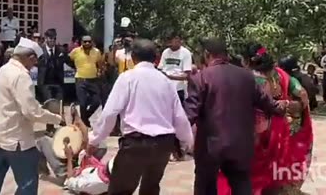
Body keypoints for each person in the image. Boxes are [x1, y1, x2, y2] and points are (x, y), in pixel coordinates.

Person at [88, 38, 194, 195]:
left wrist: (95, 140)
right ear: (155, 58)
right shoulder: (165, 81)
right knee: (150, 189)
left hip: (135, 144)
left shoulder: (127, 78)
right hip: (163, 145)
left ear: (133, 57)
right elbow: (179, 116)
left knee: (120, 190)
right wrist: (187, 142)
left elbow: (110, 113)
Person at [185, 38, 288, 195]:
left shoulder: (200, 78)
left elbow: (190, 113)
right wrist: (281, 107)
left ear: (207, 55)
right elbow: (267, 103)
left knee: (205, 185)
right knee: (241, 184)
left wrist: (176, 139)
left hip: (210, 146)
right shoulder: (246, 76)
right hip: (241, 144)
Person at [0, 37, 63, 195]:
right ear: (30, 58)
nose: (34, 66)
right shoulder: (21, 76)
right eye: (34, 62)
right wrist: (56, 118)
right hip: (17, 140)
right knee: (28, 183)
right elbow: (31, 111)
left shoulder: (4, 69)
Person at [237, 43, 313, 194]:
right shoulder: (281, 74)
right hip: (280, 129)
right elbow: (303, 96)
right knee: (275, 169)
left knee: (253, 172)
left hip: (255, 131)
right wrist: (288, 104)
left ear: (247, 61)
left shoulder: (246, 78)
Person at [36, 105, 108, 192]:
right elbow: (87, 150)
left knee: (43, 141)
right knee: (101, 145)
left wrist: (69, 158)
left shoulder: (88, 183)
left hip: (67, 173)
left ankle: (44, 171)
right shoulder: (101, 172)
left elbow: (70, 180)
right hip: (81, 165)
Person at [158, 32, 193, 161]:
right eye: (171, 41)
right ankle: (170, 149)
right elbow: (161, 68)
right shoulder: (166, 53)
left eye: (176, 40)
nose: (174, 43)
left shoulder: (185, 53)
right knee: (166, 119)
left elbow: (187, 75)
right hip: (165, 89)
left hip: (179, 89)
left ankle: (180, 149)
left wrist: (170, 77)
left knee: (178, 119)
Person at [68, 35, 103, 127]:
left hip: (93, 80)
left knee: (97, 101)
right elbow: (68, 60)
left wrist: (99, 71)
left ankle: (85, 117)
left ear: (92, 42)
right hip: (80, 79)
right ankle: (84, 122)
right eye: (85, 41)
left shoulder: (97, 52)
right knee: (82, 103)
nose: (87, 43)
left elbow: (99, 64)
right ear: (81, 42)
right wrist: (74, 68)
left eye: (89, 41)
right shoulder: (75, 51)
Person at [38, 28, 66, 136]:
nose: (52, 41)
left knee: (59, 104)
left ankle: (60, 123)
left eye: (54, 38)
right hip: (45, 82)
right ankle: (49, 128)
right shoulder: (40, 50)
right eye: (50, 38)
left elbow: (67, 60)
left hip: (58, 81)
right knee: (49, 104)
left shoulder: (60, 50)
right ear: (46, 39)